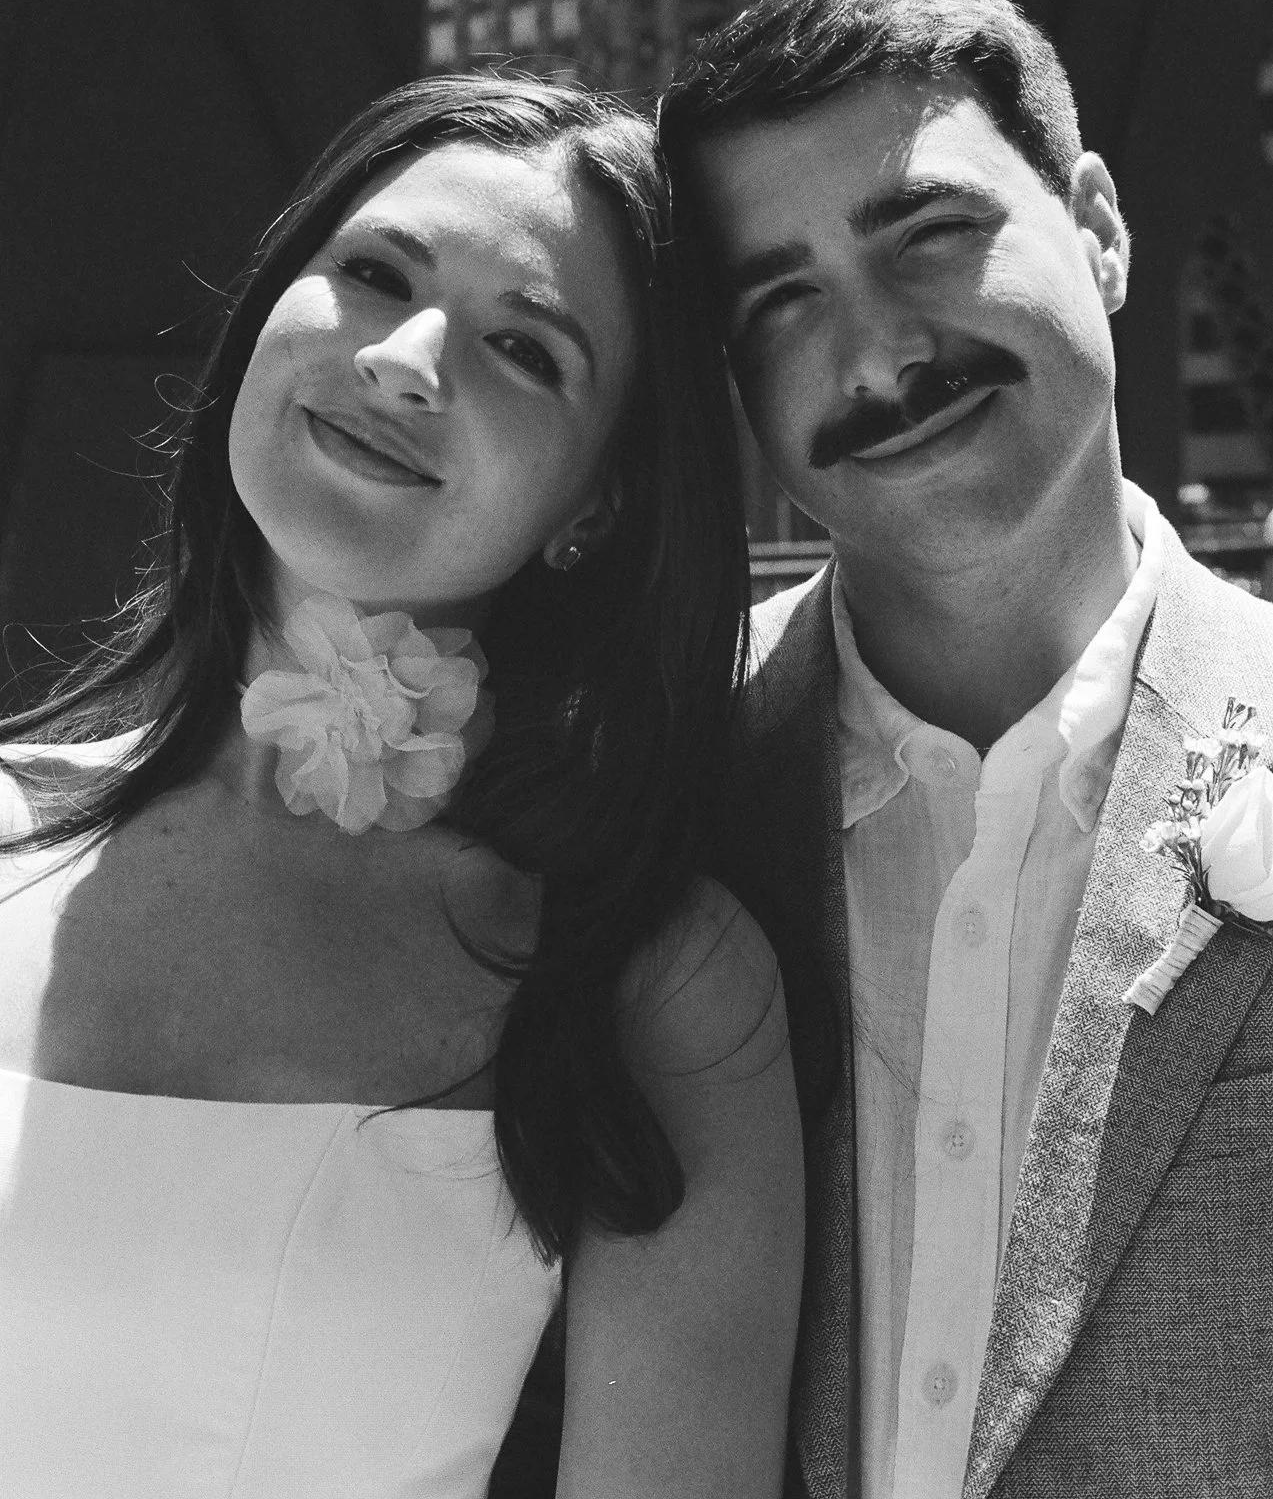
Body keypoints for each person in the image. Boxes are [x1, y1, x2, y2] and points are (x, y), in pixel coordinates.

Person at [0, 77, 804, 1499]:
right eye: (373, 274)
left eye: (526, 349)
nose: (411, 360)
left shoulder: (656, 983)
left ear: (598, 506)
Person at [657, 0, 1273, 1499]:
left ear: (1103, 226)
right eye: (781, 299)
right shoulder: (647, 799)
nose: (875, 357)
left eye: (929, 235)